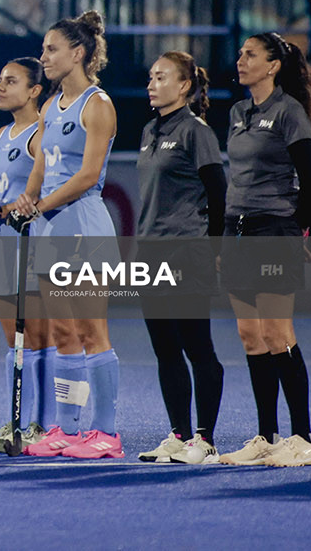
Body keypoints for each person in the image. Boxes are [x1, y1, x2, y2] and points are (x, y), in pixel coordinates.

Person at [5, 11, 123, 460]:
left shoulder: (98, 104)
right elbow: (42, 166)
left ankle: (107, 433)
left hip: (83, 225)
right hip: (51, 226)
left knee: (92, 330)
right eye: (43, 49)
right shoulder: (51, 105)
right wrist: (26, 198)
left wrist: (40, 205)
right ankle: (68, 429)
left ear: (79, 53)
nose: (44, 57)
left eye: (51, 49)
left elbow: (89, 174)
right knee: (62, 332)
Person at [217, 33, 311, 467]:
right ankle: (266, 436)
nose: (241, 60)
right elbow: (235, 182)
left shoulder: (289, 111)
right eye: (240, 54)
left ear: (273, 65)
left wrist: (297, 234)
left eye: (250, 55)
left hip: (274, 229)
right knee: (251, 336)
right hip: (238, 231)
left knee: (279, 333)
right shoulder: (238, 112)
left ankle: (304, 439)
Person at [133, 51, 226, 464]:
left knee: (196, 346)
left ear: (185, 86)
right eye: (150, 77)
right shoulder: (150, 129)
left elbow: (218, 193)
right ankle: (179, 434)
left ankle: (204, 439)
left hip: (186, 249)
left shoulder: (196, 131)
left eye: (161, 77)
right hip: (150, 251)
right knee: (164, 348)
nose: (152, 84)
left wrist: (215, 247)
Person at [0, 57, 50, 452]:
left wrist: (24, 207)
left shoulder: (40, 133)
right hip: (3, 241)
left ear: (35, 90)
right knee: (12, 337)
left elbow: (43, 185)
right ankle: (17, 418)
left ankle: (44, 421)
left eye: (11, 81)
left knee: (38, 336)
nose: (0, 88)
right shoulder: (2, 134)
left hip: (33, 241)